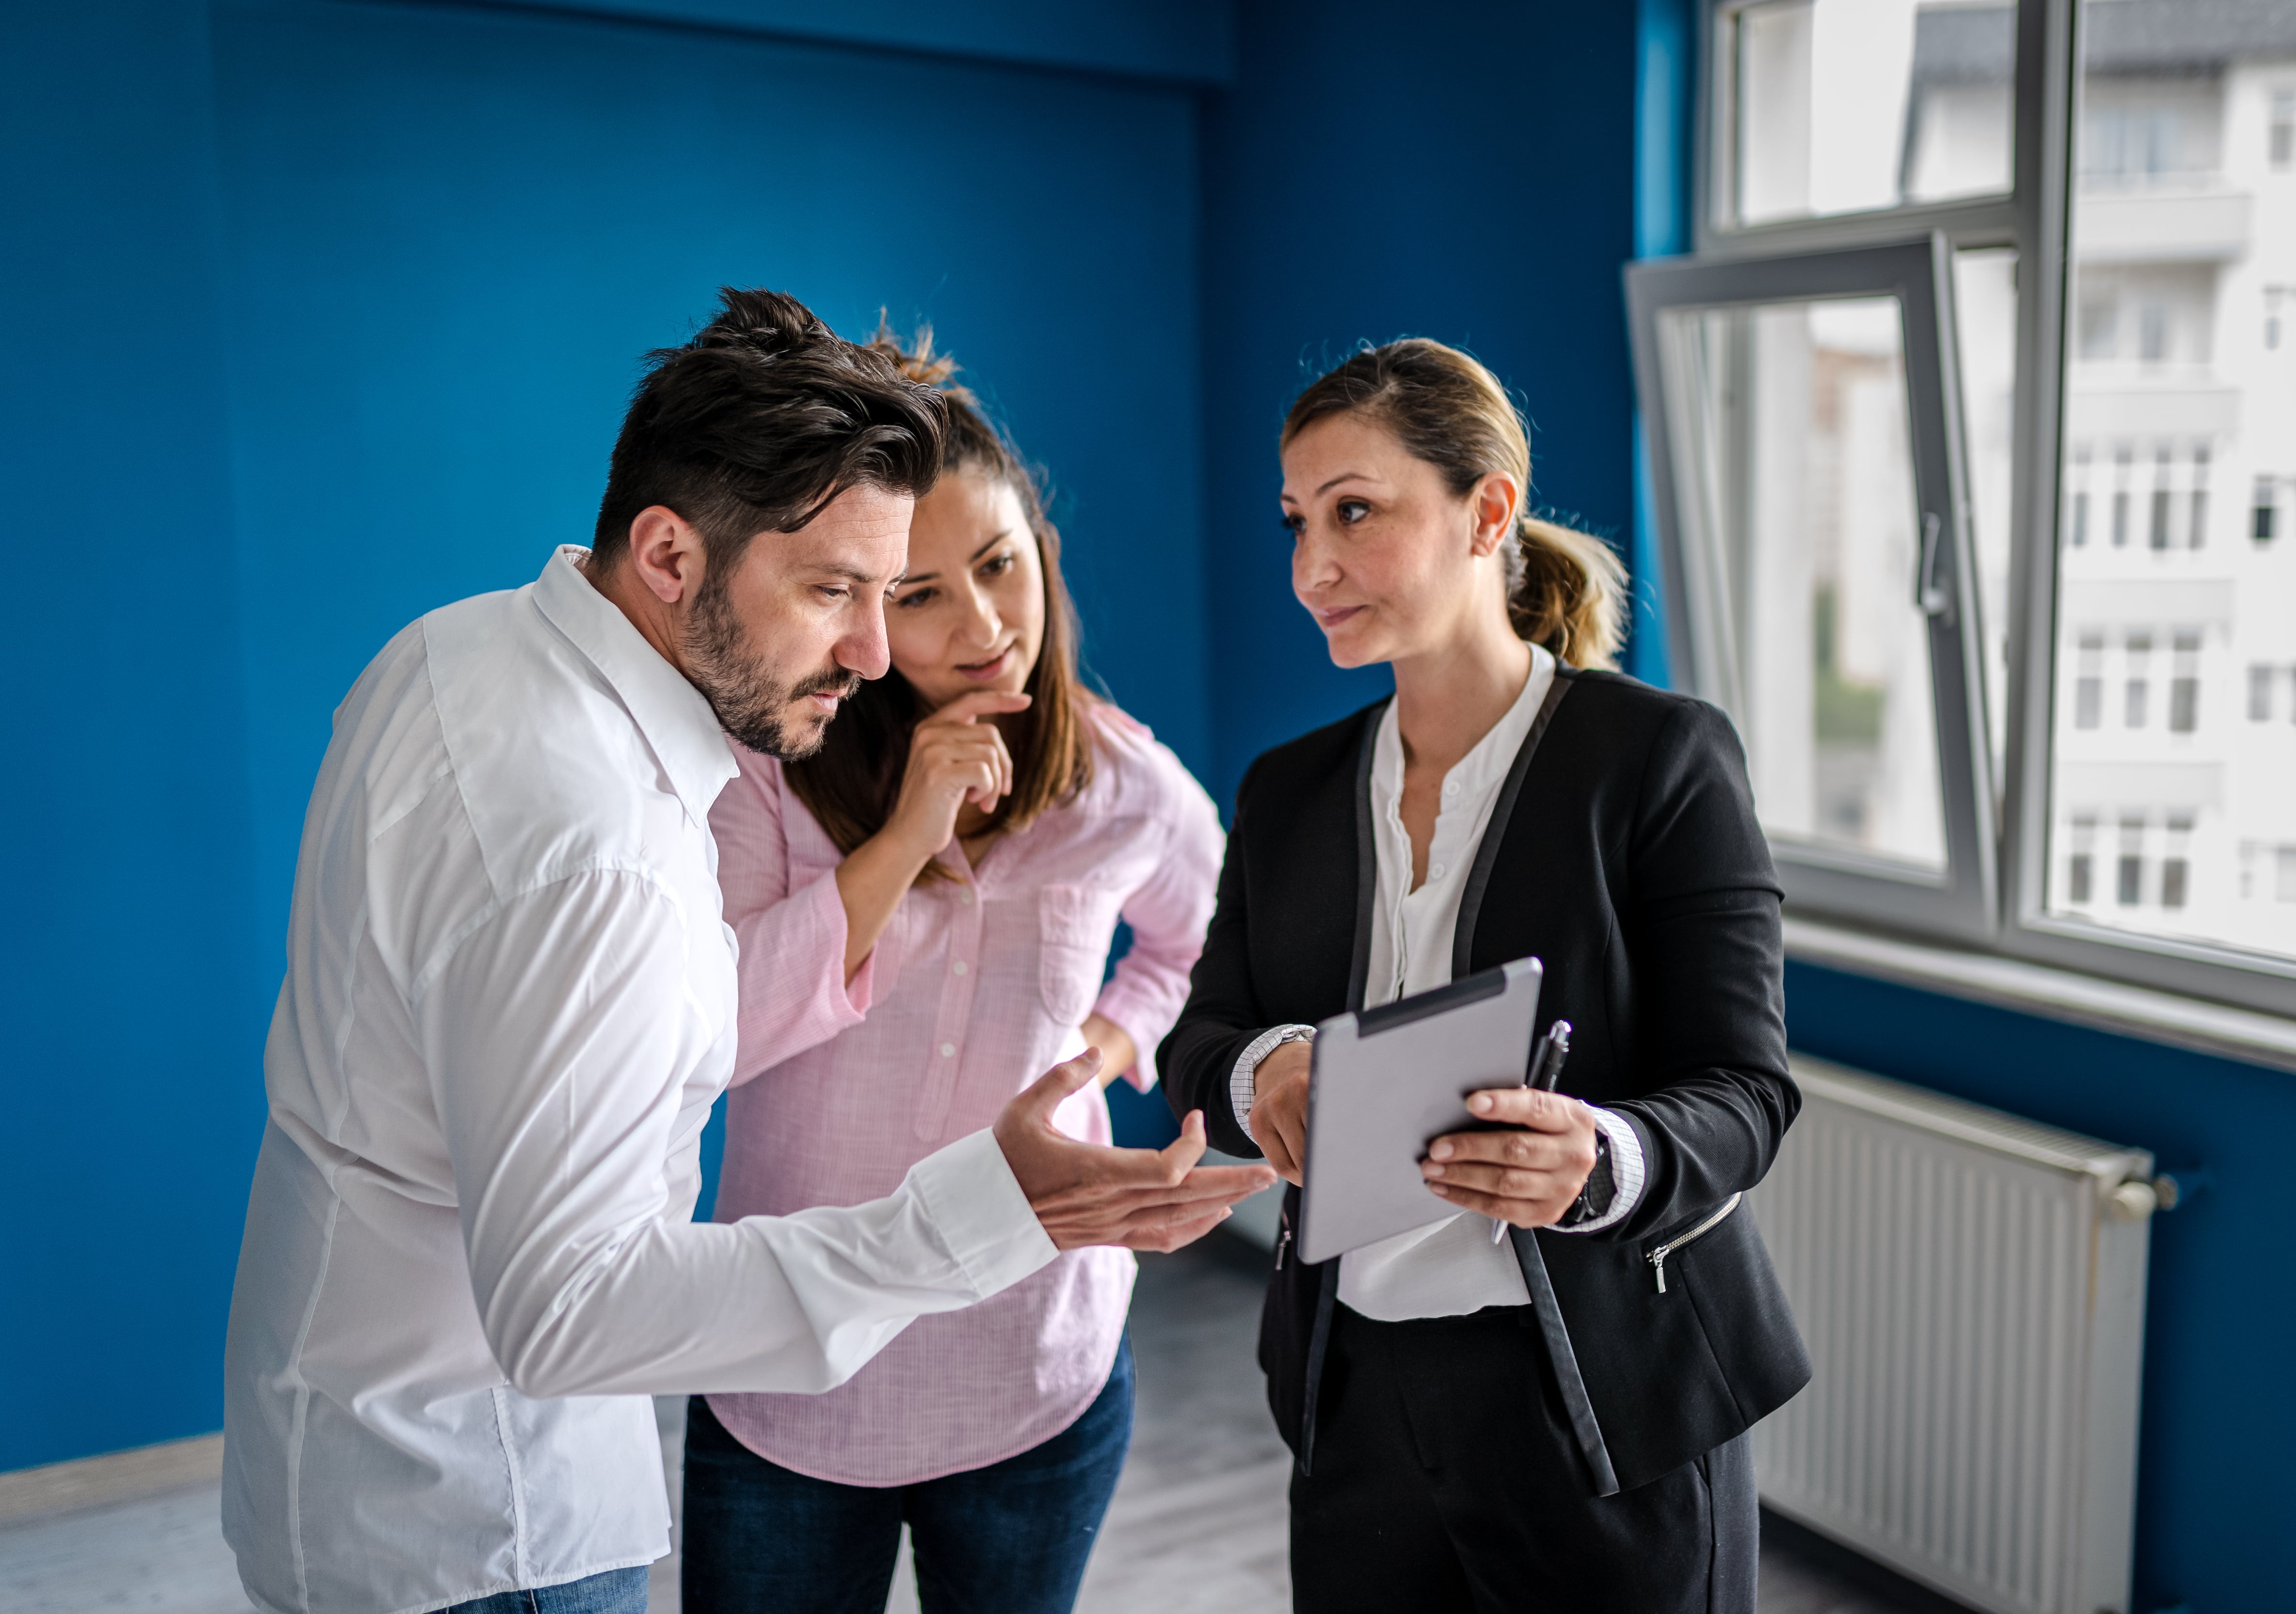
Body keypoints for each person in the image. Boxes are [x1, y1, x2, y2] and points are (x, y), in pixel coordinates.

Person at [220, 289, 1274, 1614]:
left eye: (895, 592)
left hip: (359, 1450)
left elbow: (641, 1035)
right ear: (669, 558)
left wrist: (1106, 1045)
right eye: (839, 590)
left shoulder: (446, 652)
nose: (878, 649)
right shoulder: (608, 847)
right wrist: (990, 1208)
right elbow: (571, 1311)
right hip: (485, 1516)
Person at [1160, 339, 1810, 1614]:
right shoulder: (1286, 792)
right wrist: (1259, 1070)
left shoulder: (1659, 760)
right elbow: (1202, 1034)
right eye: (1297, 522)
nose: (1310, 568)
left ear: (1489, 511)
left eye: (1355, 512)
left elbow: (1746, 1089)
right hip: (1352, 1393)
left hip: (1603, 1400)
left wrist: (1604, 1159)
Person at [678, 328, 1226, 1614]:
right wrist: (904, 840)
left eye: (1001, 566)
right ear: (858, 606)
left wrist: (1095, 1052)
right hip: (794, 1365)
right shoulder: (765, 775)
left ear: (1041, 548)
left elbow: (1204, 941)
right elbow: (722, 1031)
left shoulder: (1121, 783)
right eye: (920, 594)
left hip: (1036, 1360)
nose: (986, 628)